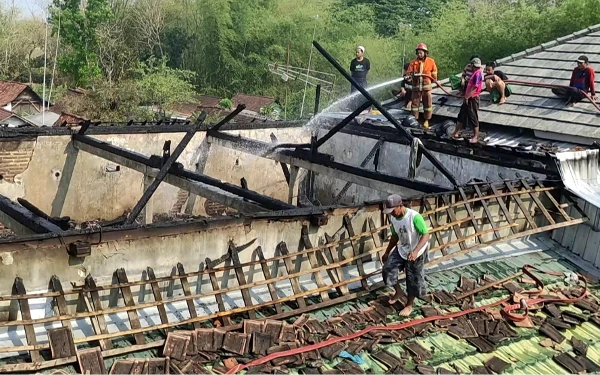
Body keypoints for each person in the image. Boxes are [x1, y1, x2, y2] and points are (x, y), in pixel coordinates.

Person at [381, 194, 431, 317]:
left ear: (400, 206)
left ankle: (409, 305)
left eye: (393, 210)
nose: (391, 213)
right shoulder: (393, 219)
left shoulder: (414, 217)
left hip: (416, 250)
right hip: (403, 248)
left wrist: (415, 252)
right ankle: (398, 292)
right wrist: (387, 251)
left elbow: (425, 235)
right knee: (387, 268)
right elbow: (395, 236)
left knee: (412, 277)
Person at [405, 43, 439, 129]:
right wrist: (408, 78)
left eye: (421, 52)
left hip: (426, 88)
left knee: (427, 105)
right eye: (418, 52)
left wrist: (432, 79)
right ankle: (414, 120)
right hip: (416, 88)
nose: (419, 54)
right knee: (415, 105)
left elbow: (434, 74)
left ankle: (426, 120)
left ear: (425, 53)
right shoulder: (413, 62)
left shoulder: (431, 61)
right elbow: (408, 74)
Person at [452, 57, 484, 143]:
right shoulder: (473, 73)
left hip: (473, 98)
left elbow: (475, 88)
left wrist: (467, 97)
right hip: (468, 97)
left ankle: (475, 136)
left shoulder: (478, 74)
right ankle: (456, 132)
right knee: (462, 114)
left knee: (473, 116)